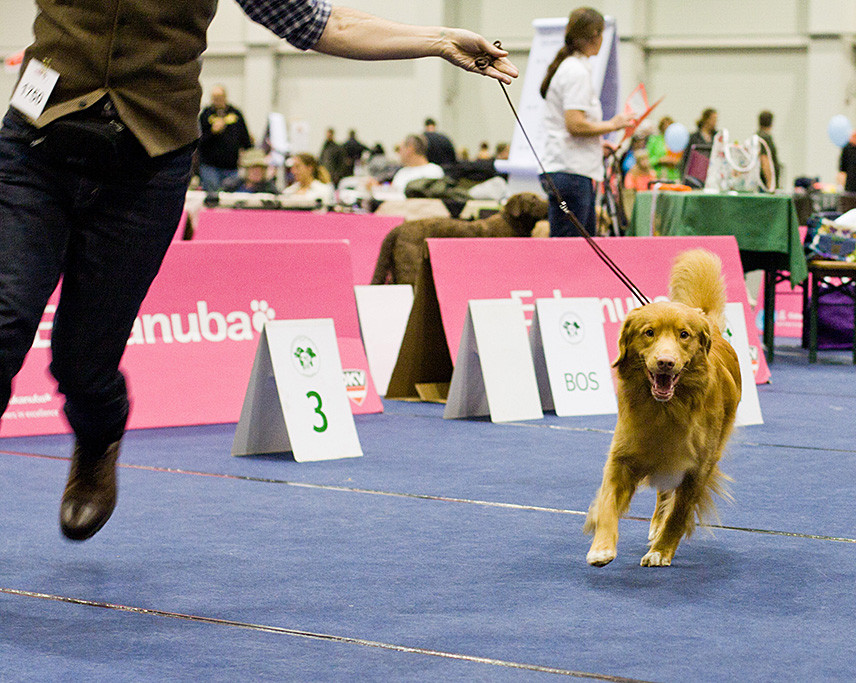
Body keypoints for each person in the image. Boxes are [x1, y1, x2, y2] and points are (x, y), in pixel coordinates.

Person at [0, 2, 516, 542]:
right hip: (35, 150)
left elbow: (320, 24)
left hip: (145, 171)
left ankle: (99, 439)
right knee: (5, 322)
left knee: (83, 363)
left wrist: (436, 40)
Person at [538, 7, 631, 237]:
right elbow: (575, 124)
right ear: (595, 36)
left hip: (570, 171)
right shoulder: (575, 71)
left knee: (576, 245)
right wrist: (613, 125)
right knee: (572, 248)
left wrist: (597, 146)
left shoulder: (571, 67)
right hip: (571, 174)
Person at [198, 85, 253, 191]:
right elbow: (199, 142)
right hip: (210, 167)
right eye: (215, 98)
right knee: (212, 196)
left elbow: (245, 138)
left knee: (230, 194)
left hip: (231, 167)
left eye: (220, 97)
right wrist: (212, 132)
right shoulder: (205, 115)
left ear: (225, 97)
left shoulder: (236, 114)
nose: (217, 100)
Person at [646, 116, 681, 182]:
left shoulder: (677, 140)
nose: (667, 128)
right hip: (657, 176)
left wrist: (674, 161)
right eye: (664, 125)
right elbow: (648, 159)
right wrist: (659, 160)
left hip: (674, 176)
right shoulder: (654, 140)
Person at [757, 110, 780, 188]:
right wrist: (770, 182)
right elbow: (764, 159)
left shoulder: (757, 136)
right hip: (765, 182)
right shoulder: (765, 138)